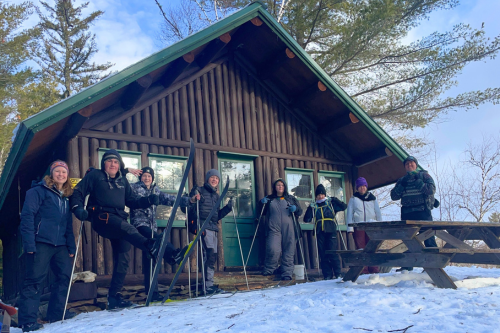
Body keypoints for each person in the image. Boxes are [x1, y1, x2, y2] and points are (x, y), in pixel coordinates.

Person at [70, 150, 163, 309]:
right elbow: (77, 192)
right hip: (102, 217)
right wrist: (78, 209)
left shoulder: (122, 181)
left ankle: (114, 298)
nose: (113, 164)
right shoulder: (95, 176)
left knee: (123, 257)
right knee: (129, 229)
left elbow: (132, 201)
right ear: (104, 164)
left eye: (115, 161)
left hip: (119, 219)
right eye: (109, 161)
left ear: (119, 165)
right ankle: (150, 246)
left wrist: (148, 200)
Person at [18, 161, 77, 332]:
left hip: (61, 245)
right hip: (40, 242)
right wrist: (29, 243)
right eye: (57, 171)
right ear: (51, 174)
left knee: (64, 277)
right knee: (34, 280)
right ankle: (28, 321)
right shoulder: (37, 192)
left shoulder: (65, 197)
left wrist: (71, 247)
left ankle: (56, 314)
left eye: (64, 172)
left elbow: (67, 225)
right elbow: (27, 216)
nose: (61, 174)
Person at [130, 167, 198, 300]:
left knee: (151, 259)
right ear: (140, 177)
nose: (147, 178)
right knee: (158, 240)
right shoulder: (133, 188)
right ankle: (173, 255)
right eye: (144, 175)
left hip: (151, 226)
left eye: (149, 176)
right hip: (139, 224)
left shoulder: (156, 190)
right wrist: (125, 170)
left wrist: (189, 200)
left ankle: (153, 293)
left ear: (152, 178)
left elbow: (171, 199)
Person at [188, 169, 232, 294]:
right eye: (212, 177)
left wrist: (228, 208)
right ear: (208, 179)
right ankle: (207, 286)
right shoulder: (199, 190)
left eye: (217, 178)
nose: (214, 180)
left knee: (212, 256)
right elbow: (187, 206)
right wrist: (193, 199)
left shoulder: (216, 196)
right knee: (209, 254)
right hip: (203, 226)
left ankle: (208, 284)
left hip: (213, 228)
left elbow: (216, 216)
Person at [390, 156, 438, 272]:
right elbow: (394, 196)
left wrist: (418, 182)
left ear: (416, 165)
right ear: (405, 167)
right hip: (407, 213)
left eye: (411, 163)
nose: (409, 165)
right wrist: (402, 185)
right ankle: (407, 265)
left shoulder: (424, 175)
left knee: (428, 237)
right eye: (407, 164)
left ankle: (433, 264)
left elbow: (431, 190)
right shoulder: (402, 180)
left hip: (423, 211)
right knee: (407, 239)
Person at [258, 178, 303, 281]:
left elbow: (300, 211)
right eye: (278, 185)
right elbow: (261, 211)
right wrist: (261, 203)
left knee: (289, 250)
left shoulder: (290, 199)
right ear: (275, 187)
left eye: (282, 185)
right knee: (273, 248)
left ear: (285, 187)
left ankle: (287, 273)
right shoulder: (269, 199)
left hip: (290, 228)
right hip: (274, 227)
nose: (280, 187)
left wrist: (295, 209)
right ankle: (270, 269)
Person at [304, 184, 347, 280]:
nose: (320, 196)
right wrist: (309, 208)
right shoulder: (314, 206)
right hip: (320, 231)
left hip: (331, 230)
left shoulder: (330, 204)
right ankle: (327, 274)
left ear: (325, 195)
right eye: (318, 195)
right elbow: (306, 219)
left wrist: (336, 200)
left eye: (322, 194)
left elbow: (344, 207)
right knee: (323, 254)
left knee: (332, 252)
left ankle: (338, 273)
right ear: (316, 196)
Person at [346, 177, 382, 274]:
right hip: (359, 227)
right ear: (357, 188)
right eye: (360, 186)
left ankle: (374, 268)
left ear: (366, 187)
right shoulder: (353, 199)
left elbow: (378, 213)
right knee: (361, 248)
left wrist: (380, 226)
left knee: (372, 247)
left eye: (364, 186)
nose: (362, 188)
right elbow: (349, 214)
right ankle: (364, 269)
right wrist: (350, 228)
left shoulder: (372, 198)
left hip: (372, 226)